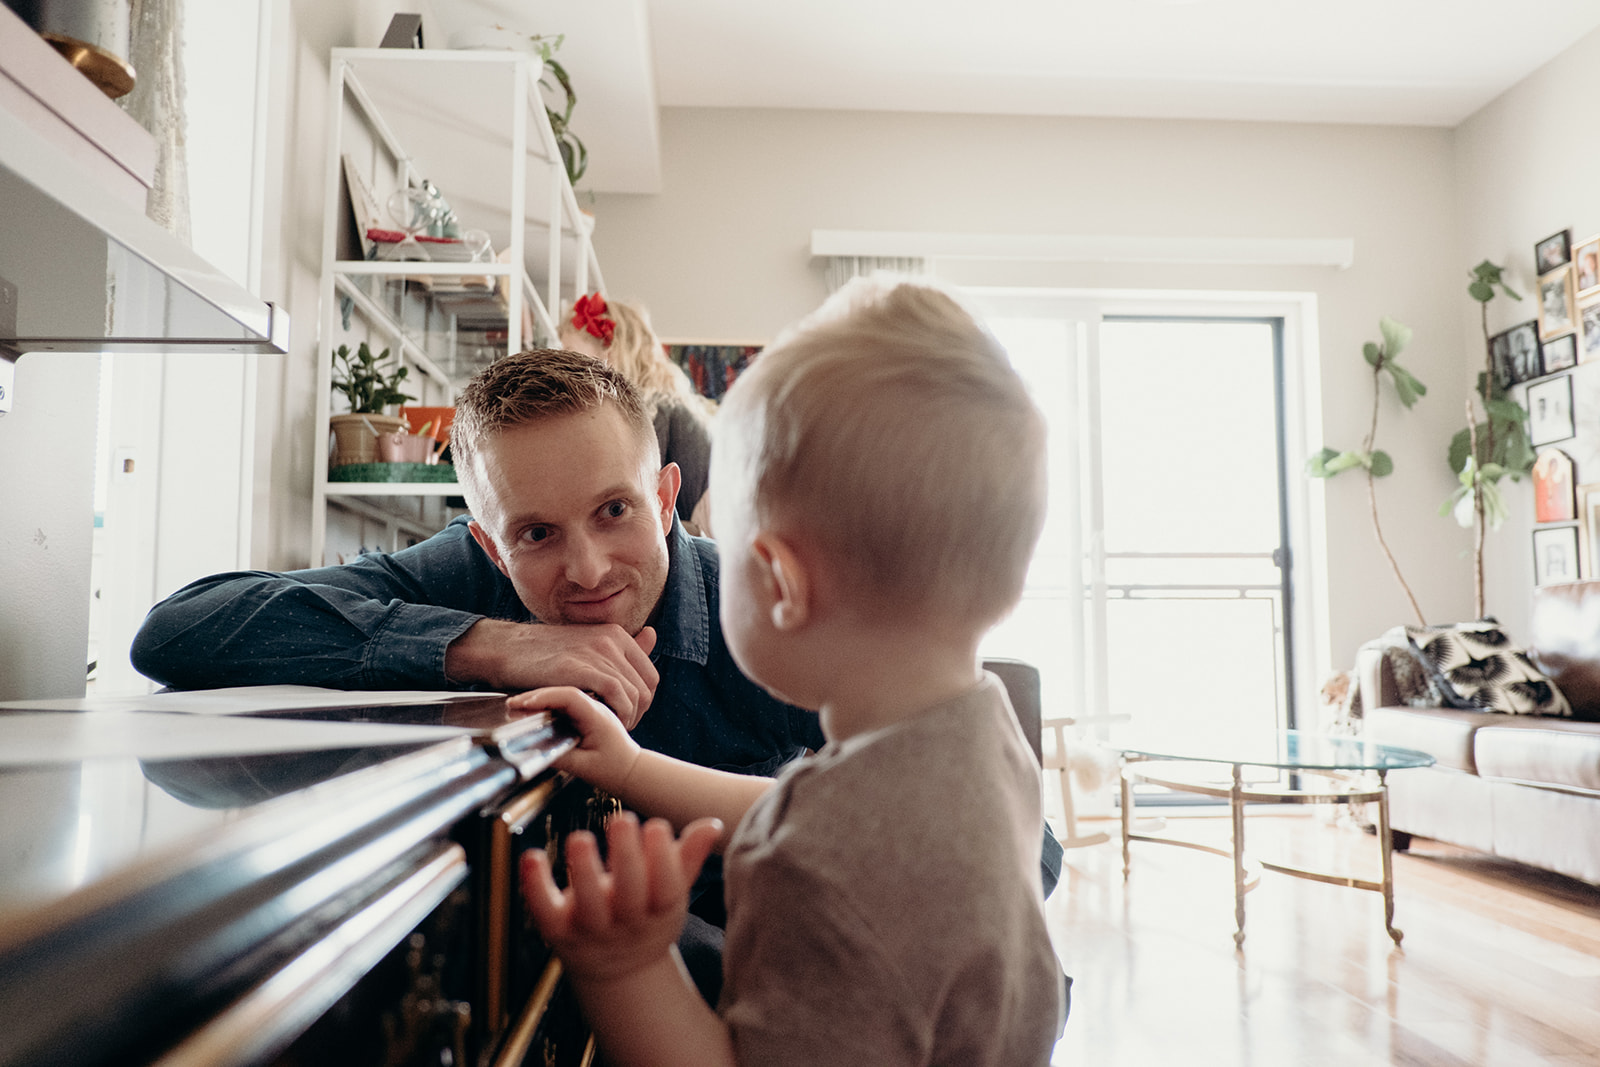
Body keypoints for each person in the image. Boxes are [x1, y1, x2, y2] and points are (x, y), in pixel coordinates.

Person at [128, 345, 1065, 1000]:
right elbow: (179, 628)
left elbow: (1025, 858)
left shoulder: (778, 611)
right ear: (489, 544)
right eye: (536, 534)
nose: (585, 569)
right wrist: (490, 643)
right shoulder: (470, 575)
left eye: (616, 510)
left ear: (666, 497)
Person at [516, 277, 1065, 1066]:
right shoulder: (980, 736)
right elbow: (812, 806)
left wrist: (625, 963)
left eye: (721, 544)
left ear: (778, 581)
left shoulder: (812, 871)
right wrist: (633, 766)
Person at [561, 292, 716, 534]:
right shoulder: (665, 405)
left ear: (608, 355)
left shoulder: (651, 414)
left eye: (570, 353)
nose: (564, 366)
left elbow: (638, 506)